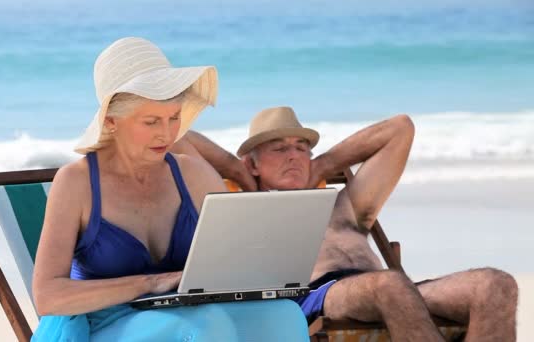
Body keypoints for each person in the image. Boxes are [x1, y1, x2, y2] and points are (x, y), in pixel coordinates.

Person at [31, 39, 308, 341]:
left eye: (174, 118)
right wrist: (149, 283)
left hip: (187, 311)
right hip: (105, 324)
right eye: (151, 122)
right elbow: (47, 296)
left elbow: (241, 253)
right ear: (111, 121)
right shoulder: (76, 183)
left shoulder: (190, 173)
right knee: (205, 325)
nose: (166, 133)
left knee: (284, 315)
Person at [172, 106, 519, 341]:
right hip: (319, 297)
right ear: (254, 163)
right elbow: (177, 136)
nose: (294, 155)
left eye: (301, 148)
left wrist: (323, 166)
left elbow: (400, 128)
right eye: (278, 149)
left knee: (494, 284)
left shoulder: (345, 205)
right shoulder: (243, 209)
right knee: (389, 285)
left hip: (398, 296)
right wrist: (234, 170)